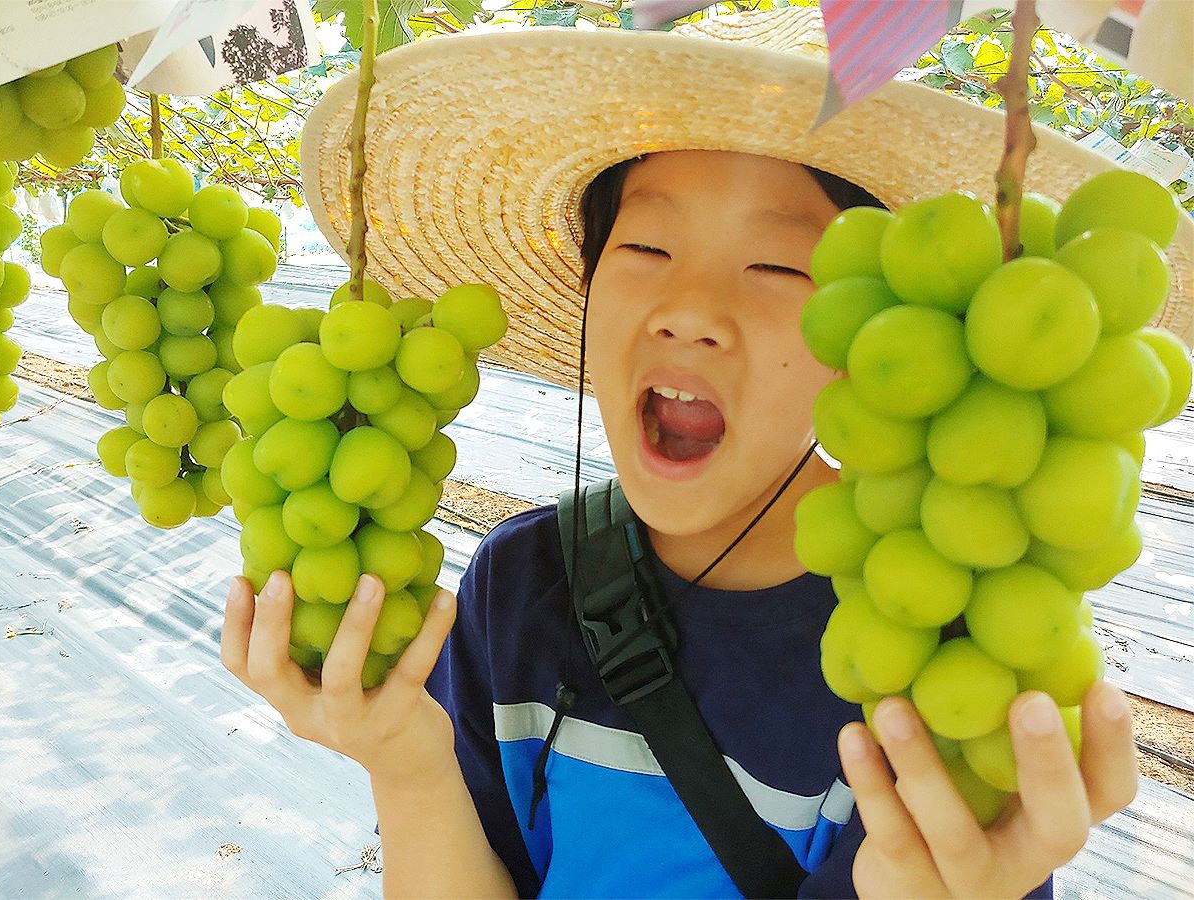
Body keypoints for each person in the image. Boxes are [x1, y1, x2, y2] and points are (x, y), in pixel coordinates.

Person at [219, 6, 1186, 897]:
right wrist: (406, 761)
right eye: (644, 252)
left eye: (777, 266)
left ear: (875, 348)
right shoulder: (517, 584)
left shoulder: (927, 660)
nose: (690, 311)